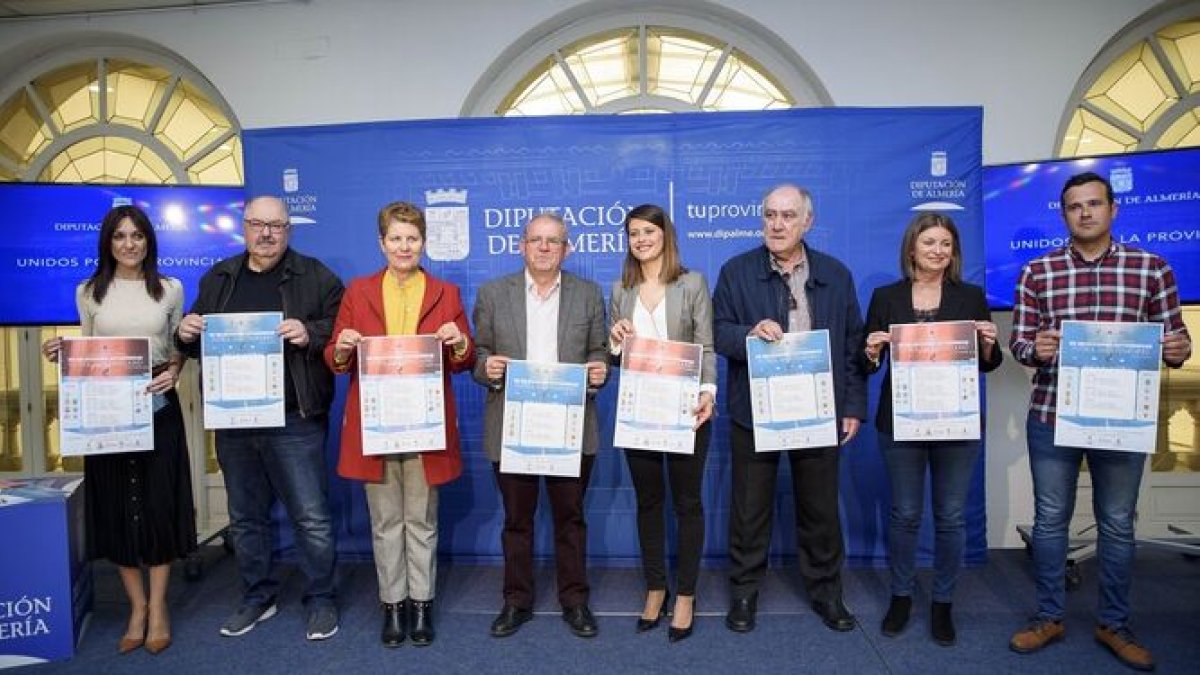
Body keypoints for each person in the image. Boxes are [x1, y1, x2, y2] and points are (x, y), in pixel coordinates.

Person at [1007, 171, 1192, 671]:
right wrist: (1034, 347)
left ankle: (1115, 623)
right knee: (1050, 523)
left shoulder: (1152, 268)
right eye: (1074, 206)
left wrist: (1179, 348)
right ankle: (1048, 616)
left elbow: (1175, 339)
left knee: (1116, 523)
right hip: (1052, 415)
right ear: (1063, 214)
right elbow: (1020, 342)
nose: (1084, 213)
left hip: (1121, 419)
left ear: (1113, 210)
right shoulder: (1037, 272)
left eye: (1093, 204)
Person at [175, 195, 345, 641]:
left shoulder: (316, 275)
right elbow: (197, 339)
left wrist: (311, 332)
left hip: (295, 418)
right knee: (246, 516)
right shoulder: (220, 277)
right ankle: (257, 596)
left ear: (289, 230)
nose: (267, 233)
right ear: (244, 227)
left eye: (276, 226)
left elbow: (341, 327)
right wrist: (184, 332)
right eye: (257, 224)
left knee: (310, 517)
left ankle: (322, 599)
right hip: (234, 419)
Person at [42, 205, 196, 656]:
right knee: (116, 505)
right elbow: (88, 348)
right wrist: (62, 350)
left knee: (158, 505)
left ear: (149, 241)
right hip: (106, 413)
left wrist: (176, 371)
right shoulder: (89, 292)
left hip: (158, 408)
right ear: (108, 244)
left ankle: (161, 608)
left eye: (137, 236)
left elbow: (176, 347)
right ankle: (137, 607)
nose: (129, 244)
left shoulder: (170, 289)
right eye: (120, 237)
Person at [713, 183, 867, 633]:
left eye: (787, 216)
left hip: (820, 409)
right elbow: (717, 332)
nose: (777, 224)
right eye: (769, 215)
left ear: (807, 222)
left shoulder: (835, 274)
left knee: (820, 510)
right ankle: (743, 595)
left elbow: (852, 344)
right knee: (749, 510)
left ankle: (827, 594)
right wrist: (748, 332)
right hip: (755, 412)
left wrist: (852, 405)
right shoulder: (736, 271)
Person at [324, 202, 474, 647]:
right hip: (378, 422)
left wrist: (460, 340)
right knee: (386, 520)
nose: (404, 246)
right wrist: (344, 346)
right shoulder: (359, 290)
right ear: (381, 243)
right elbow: (334, 358)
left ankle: (422, 604)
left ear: (423, 242)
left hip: (426, 421)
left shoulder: (445, 292)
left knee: (421, 519)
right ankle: (393, 606)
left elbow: (465, 359)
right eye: (396, 238)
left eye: (412, 238)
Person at [861, 212, 1003, 646]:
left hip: (956, 421)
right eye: (929, 243)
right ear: (912, 249)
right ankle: (901, 596)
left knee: (951, 517)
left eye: (946, 244)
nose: (938, 251)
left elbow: (988, 365)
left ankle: (943, 602)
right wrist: (869, 350)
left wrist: (988, 344)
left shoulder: (971, 296)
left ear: (953, 252)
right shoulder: (886, 297)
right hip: (901, 421)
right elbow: (866, 365)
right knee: (905, 515)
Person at [472, 213, 609, 640]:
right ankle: (516, 601)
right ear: (522, 246)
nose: (545, 248)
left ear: (567, 249)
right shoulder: (494, 294)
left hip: (569, 424)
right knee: (517, 520)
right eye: (536, 240)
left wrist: (600, 368)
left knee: (571, 518)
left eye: (554, 241)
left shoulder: (588, 295)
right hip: (514, 426)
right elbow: (478, 354)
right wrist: (487, 368)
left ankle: (575, 600)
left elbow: (600, 350)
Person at [607, 204, 715, 643]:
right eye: (634, 233)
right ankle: (656, 588)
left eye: (649, 231)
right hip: (641, 411)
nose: (641, 239)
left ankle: (685, 594)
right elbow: (616, 354)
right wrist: (614, 343)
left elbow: (706, 345)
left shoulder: (692, 283)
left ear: (665, 235)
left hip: (687, 409)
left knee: (687, 502)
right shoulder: (620, 288)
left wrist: (709, 393)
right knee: (649, 501)